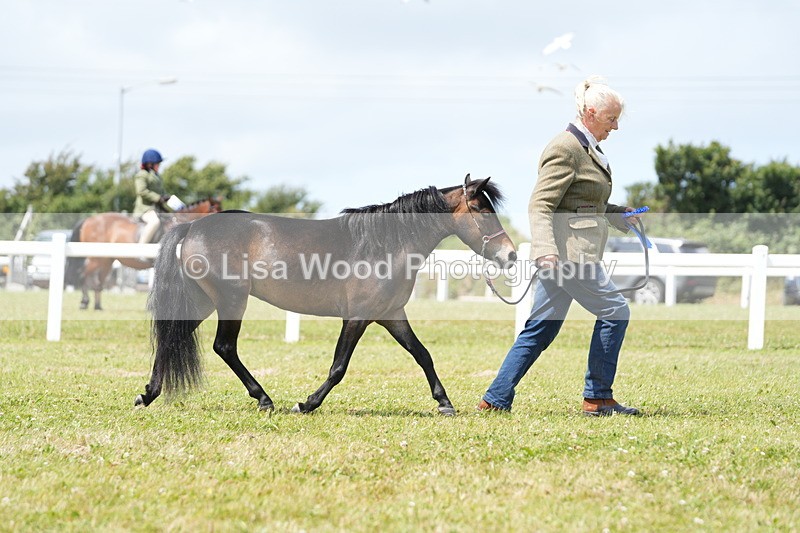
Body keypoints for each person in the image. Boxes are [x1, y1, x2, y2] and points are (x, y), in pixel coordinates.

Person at [479, 76, 645, 416]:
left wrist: (617, 215)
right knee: (615, 312)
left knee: (541, 329)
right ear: (591, 112)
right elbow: (540, 205)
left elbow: (583, 205)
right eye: (611, 119)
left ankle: (494, 399)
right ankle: (597, 399)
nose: (615, 127)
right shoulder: (565, 147)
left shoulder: (586, 148)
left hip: (568, 254)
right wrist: (545, 251)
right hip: (569, 257)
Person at [132, 149, 176, 244]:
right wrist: (158, 198)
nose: (159, 166)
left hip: (157, 209)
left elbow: (162, 192)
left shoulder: (157, 177)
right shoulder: (142, 175)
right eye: (157, 164)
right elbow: (141, 191)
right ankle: (140, 248)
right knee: (154, 222)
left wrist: (167, 197)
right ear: (149, 164)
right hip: (145, 209)